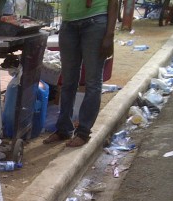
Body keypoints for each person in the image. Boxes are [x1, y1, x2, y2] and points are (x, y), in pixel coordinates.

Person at [43, 0, 118, 148]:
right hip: (68, 24)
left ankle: (83, 132)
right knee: (68, 81)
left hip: (95, 22)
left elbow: (114, 2)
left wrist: (109, 34)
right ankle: (64, 129)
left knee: (93, 81)